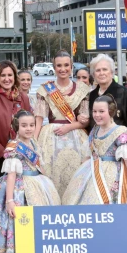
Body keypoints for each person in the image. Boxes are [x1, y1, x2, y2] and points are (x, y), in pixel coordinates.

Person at [63, 95, 127, 253]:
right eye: (95, 111)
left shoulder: (121, 131)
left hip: (117, 178)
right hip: (93, 174)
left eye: (101, 112)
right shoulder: (95, 130)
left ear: (111, 112)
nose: (97, 115)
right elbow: (91, 153)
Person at [0, 111, 61, 253]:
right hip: (20, 190)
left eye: (31, 125)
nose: (29, 129)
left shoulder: (33, 142)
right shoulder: (14, 147)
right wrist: (10, 200)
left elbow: (39, 165)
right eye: (24, 126)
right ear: (16, 127)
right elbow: (11, 175)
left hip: (37, 184)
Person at [35, 51, 90, 196]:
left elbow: (85, 121)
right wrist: (33, 141)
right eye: (59, 65)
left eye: (66, 65)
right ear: (54, 67)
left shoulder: (82, 89)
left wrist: (69, 127)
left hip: (76, 135)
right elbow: (39, 118)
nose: (62, 69)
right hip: (50, 138)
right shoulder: (45, 89)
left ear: (71, 67)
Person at [0, 60, 31, 185]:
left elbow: (29, 124)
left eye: (10, 75)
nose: (7, 79)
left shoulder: (23, 97)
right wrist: (3, 152)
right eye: (3, 75)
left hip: (19, 155)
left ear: (15, 77)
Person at [87, 54, 127, 162]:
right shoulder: (92, 95)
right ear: (93, 74)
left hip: (120, 152)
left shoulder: (122, 93)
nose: (101, 73)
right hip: (97, 152)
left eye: (105, 69)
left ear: (112, 72)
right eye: (98, 70)